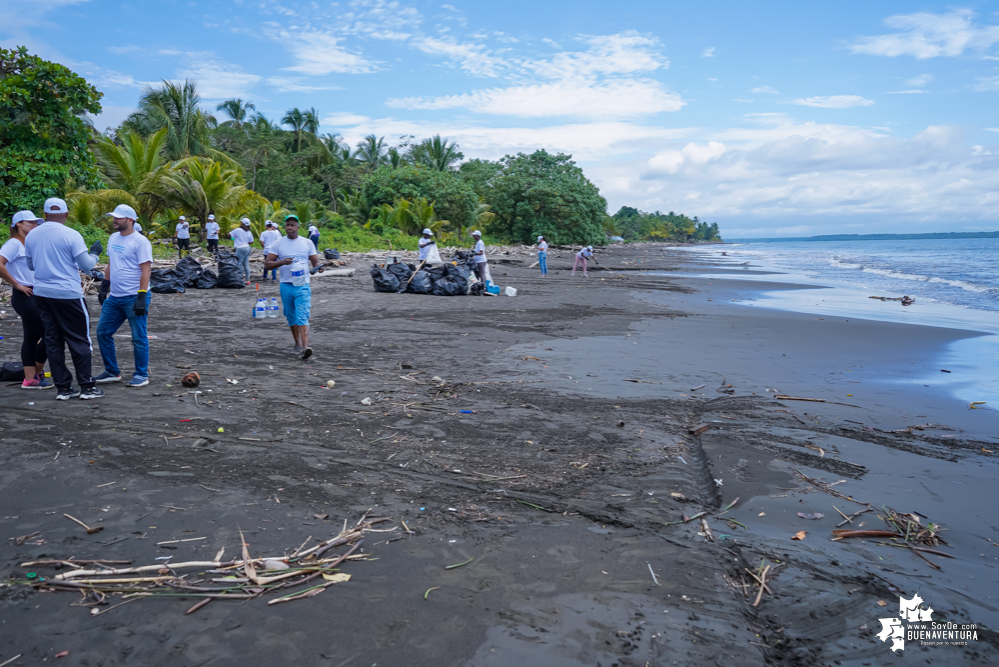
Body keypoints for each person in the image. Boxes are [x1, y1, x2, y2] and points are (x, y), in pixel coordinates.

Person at [24, 197, 104, 400]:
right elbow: (86, 265)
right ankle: (86, 386)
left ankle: (63, 388)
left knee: (53, 340)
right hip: (68, 294)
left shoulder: (32, 235)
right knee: (79, 340)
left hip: (42, 293)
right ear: (67, 214)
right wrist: (95, 254)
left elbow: (31, 266)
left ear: (44, 215)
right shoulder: (71, 234)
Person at [94, 204, 153, 387]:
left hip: (133, 297)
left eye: (118, 218)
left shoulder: (140, 241)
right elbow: (112, 262)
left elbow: (146, 269)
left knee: (138, 337)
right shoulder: (113, 238)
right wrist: (105, 285)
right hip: (115, 297)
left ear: (130, 220)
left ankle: (141, 375)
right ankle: (112, 371)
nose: (115, 220)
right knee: (103, 332)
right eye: (114, 217)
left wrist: (141, 296)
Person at [0, 210, 52, 389]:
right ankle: (37, 372)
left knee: (31, 336)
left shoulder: (29, 243)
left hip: (36, 293)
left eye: (35, 222)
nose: (34, 225)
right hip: (25, 295)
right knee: (51, 334)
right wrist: (16, 284)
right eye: (30, 222)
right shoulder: (13, 244)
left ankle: (30, 379)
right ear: (18, 224)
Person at [264, 214, 323, 360]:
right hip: (286, 285)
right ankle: (297, 343)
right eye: (288, 225)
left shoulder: (307, 243)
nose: (290, 227)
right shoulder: (278, 243)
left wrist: (318, 267)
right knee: (291, 316)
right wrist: (282, 262)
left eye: (293, 225)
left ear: (298, 227)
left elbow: (315, 261)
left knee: (303, 315)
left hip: (302, 285)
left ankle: (305, 347)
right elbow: (267, 264)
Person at [230, 218, 255, 285]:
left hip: (241, 248)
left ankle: (239, 279)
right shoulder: (249, 232)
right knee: (246, 265)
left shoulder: (238, 230)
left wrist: (233, 238)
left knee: (238, 264)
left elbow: (229, 234)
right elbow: (251, 241)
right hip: (248, 248)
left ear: (242, 223)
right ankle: (247, 279)